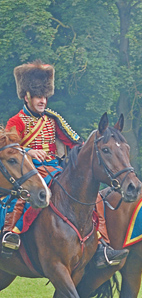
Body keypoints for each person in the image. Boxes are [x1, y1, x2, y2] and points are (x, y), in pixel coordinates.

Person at [2, 60, 128, 268]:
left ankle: (103, 245)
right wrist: (29, 151)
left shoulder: (53, 119)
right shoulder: (17, 121)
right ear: (27, 96)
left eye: (44, 97)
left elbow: (75, 142)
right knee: (28, 193)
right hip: (30, 170)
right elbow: (9, 152)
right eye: (38, 97)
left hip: (58, 167)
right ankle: (11, 232)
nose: (43, 101)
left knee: (93, 196)